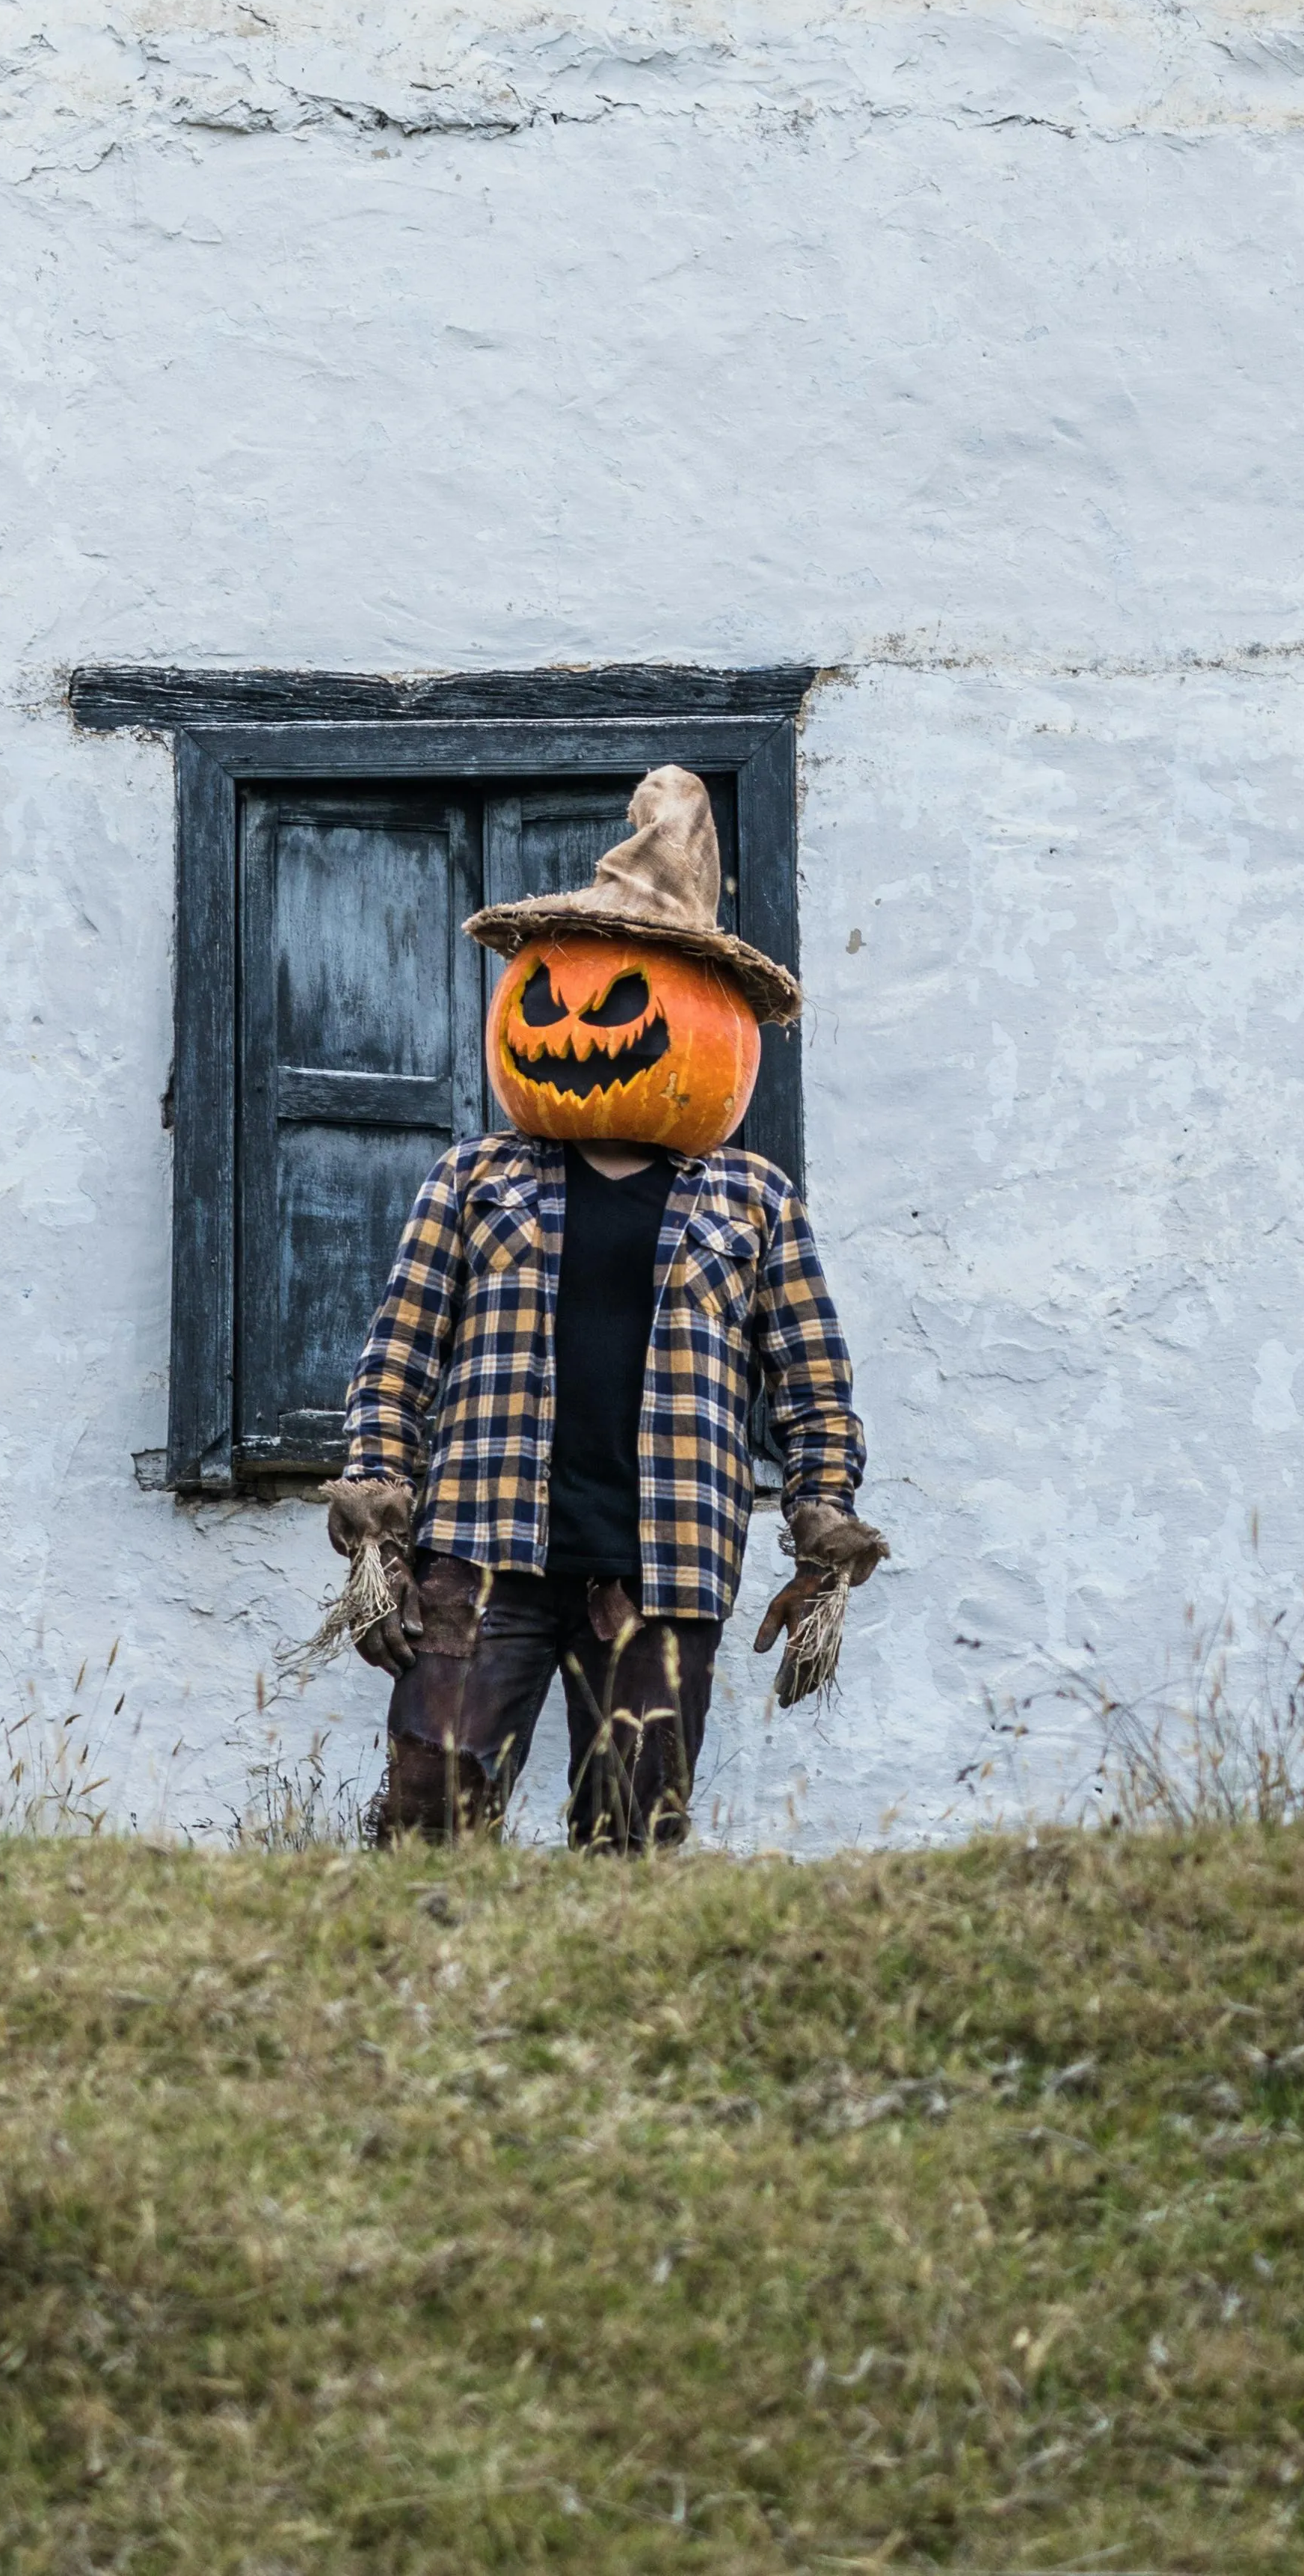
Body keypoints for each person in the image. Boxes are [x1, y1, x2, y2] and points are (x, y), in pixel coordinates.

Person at [327, 765, 884, 1850]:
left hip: (667, 1558)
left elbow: (812, 1384)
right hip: (483, 1550)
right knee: (430, 1809)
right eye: (554, 990)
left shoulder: (755, 1201)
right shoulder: (472, 1179)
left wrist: (822, 1522)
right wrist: (379, 1528)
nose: (580, 1021)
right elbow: (397, 1360)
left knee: (631, 1829)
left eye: (628, 997)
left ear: (708, 1018)